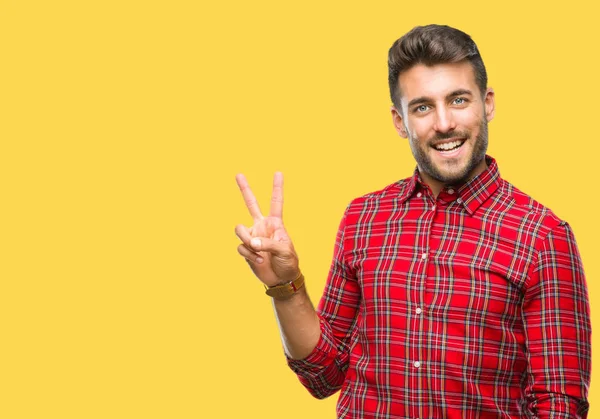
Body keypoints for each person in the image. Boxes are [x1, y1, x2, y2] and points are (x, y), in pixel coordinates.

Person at [234, 24, 591, 418]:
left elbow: (560, 404)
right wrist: (284, 284)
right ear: (400, 121)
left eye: (458, 100)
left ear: (487, 103)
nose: (443, 124)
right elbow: (324, 375)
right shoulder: (364, 218)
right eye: (422, 107)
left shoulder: (542, 236)